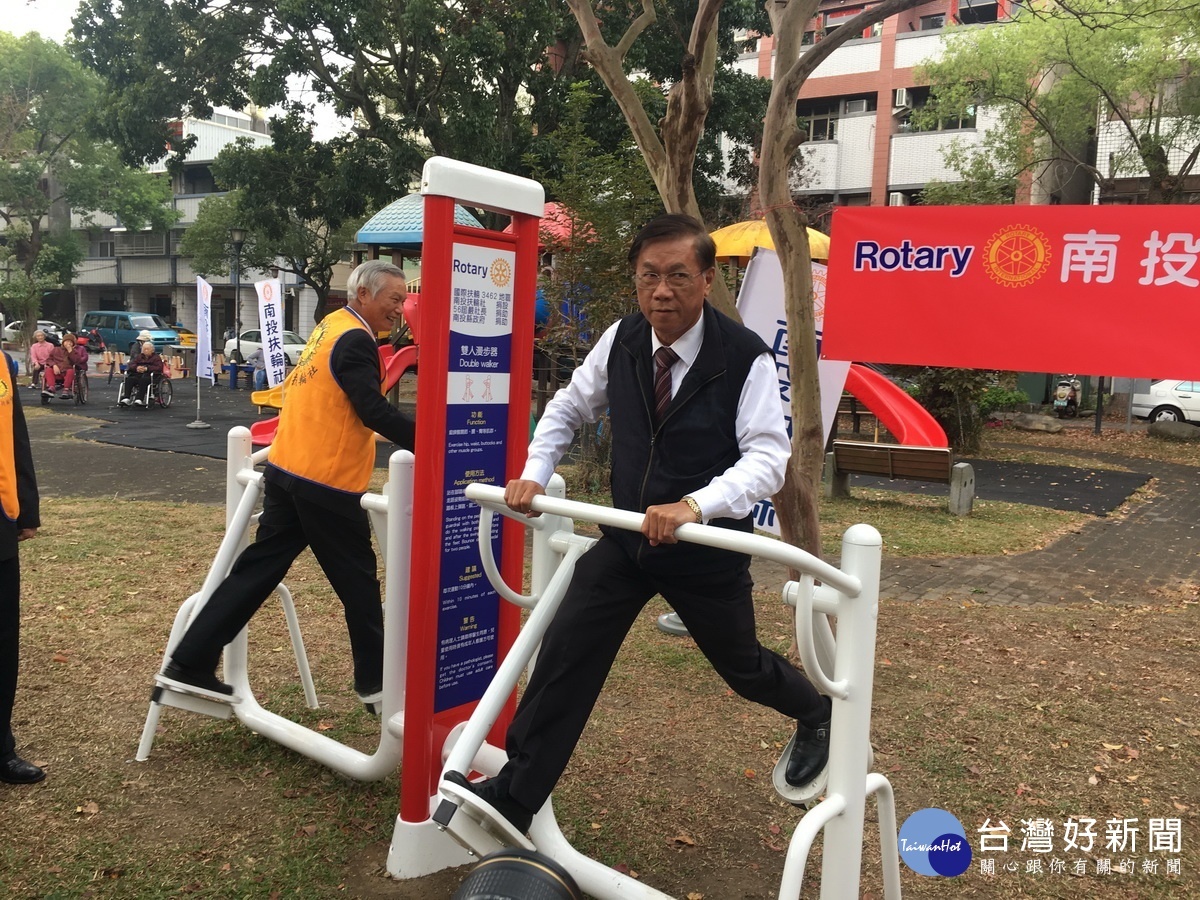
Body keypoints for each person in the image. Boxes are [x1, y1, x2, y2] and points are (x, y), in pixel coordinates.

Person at [447, 214, 831, 832]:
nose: (662, 292)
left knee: (743, 668)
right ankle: (516, 794)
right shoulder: (623, 339)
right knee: (567, 648)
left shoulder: (744, 358)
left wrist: (696, 505)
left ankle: (815, 711)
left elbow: (768, 459)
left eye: (678, 276)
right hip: (626, 542)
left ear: (707, 280)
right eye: (649, 276)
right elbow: (570, 406)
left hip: (703, 550)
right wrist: (536, 470)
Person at [161, 260, 417, 712]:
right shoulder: (356, 340)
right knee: (358, 584)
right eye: (393, 299)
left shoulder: (330, 327)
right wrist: (438, 438)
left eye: (402, 300)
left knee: (258, 569)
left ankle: (188, 661)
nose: (400, 309)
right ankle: (378, 690)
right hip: (325, 481)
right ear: (364, 295)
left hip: (288, 469)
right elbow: (372, 410)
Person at [1, 350, 44, 784]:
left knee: (3, 642)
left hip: (1, 517)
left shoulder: (1, 364)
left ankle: (2, 748)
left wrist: (26, 509)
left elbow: (15, 436)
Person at [120, 341, 163, 407]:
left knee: (144, 380)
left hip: (150, 375)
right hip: (138, 374)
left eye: (147, 349)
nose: (145, 351)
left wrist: (147, 368)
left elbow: (159, 367)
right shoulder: (139, 357)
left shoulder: (156, 358)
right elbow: (131, 364)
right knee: (129, 379)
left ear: (152, 350)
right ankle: (126, 398)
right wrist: (136, 368)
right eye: (144, 349)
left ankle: (139, 399)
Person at [50, 333, 87, 400]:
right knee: (48, 369)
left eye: (70, 342)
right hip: (56, 371)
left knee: (71, 371)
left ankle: (66, 390)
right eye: (67, 342)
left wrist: (70, 351)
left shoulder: (75, 351)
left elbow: (76, 361)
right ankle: (51, 387)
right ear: (63, 342)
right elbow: (49, 359)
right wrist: (54, 365)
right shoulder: (56, 349)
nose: (68, 343)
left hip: (67, 371)